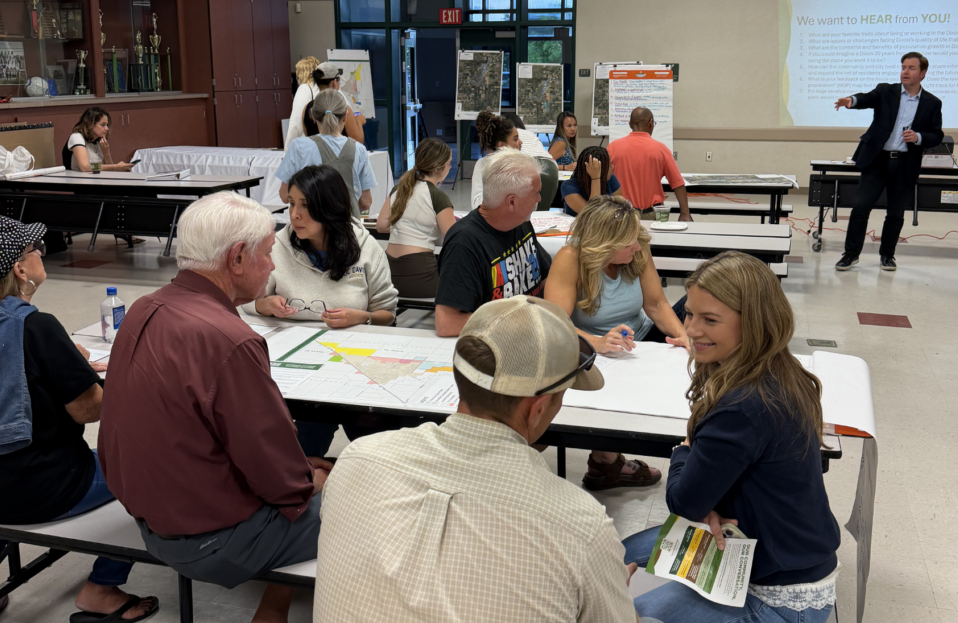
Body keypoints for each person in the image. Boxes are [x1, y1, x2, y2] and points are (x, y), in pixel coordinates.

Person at [312, 296, 652, 623]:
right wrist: (604, 586)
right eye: (560, 397)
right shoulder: (581, 524)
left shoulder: (357, 460)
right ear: (536, 409)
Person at [98, 192, 330, 623]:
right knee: (362, 496)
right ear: (237, 258)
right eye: (267, 253)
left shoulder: (145, 308)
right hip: (216, 541)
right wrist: (312, 479)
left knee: (315, 468)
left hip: (152, 522)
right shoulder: (228, 339)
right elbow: (284, 483)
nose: (274, 265)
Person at [623, 251, 841, 623]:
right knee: (618, 552)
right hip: (791, 554)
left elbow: (684, 501)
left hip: (777, 598)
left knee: (624, 603)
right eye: (689, 313)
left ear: (753, 324)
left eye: (710, 320)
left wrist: (683, 450)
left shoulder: (742, 407)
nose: (691, 330)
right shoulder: (780, 369)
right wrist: (710, 500)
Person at [0, 216, 157, 623]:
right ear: (19, 269)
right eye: (33, 250)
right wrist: (103, 376)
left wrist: (63, 365)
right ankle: (102, 587)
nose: (41, 253)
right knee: (150, 465)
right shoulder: (36, 327)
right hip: (48, 487)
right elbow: (90, 409)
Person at [545, 195, 688, 492]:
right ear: (603, 245)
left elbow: (658, 304)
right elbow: (557, 324)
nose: (637, 247)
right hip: (593, 347)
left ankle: (606, 461)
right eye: (628, 244)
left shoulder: (638, 248)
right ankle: (605, 459)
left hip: (638, 338)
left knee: (698, 305)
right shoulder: (570, 259)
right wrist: (597, 341)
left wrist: (683, 335)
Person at [245, 165, 397, 327]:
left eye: (305, 205)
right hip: (289, 341)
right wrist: (264, 305)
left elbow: (388, 312)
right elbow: (246, 299)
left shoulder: (366, 247)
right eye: (291, 203)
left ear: (329, 207)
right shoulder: (275, 247)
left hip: (350, 344)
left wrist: (363, 318)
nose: (294, 214)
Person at [833, 52, 944, 272]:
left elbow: (936, 135)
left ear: (922, 73)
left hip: (904, 164)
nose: (905, 71)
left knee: (895, 213)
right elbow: (866, 98)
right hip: (877, 160)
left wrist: (919, 137)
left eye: (911, 68)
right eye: (903, 67)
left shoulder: (932, 103)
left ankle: (887, 256)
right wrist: (851, 101)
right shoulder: (886, 91)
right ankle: (850, 254)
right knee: (861, 207)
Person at [435, 149, 550, 337]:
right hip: (500, 342)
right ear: (512, 202)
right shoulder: (464, 243)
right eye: (535, 193)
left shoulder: (520, 222)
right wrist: (519, 321)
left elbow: (547, 275)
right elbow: (447, 323)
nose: (539, 199)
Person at [275, 89, 377, 217]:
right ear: (345, 116)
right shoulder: (359, 149)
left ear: (312, 115)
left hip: (311, 229)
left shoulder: (298, 147)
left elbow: (285, 195)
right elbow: (366, 202)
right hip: (348, 230)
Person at [375, 138, 455, 298]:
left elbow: (381, 226)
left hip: (390, 277)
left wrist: (405, 225)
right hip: (421, 277)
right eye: (449, 164)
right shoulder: (438, 197)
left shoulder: (400, 189)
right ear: (439, 169)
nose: (450, 167)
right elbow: (454, 238)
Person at [607, 107, 691, 220]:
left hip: (622, 216)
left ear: (630, 124)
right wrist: (685, 213)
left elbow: (602, 180)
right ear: (650, 123)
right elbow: (677, 184)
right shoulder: (661, 150)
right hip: (652, 214)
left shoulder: (612, 148)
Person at [470, 109, 520, 209]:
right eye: (515, 139)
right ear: (500, 145)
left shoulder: (522, 164)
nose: (521, 142)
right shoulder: (483, 164)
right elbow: (477, 204)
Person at [63, 107, 134, 172]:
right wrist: (116, 167)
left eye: (107, 125)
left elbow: (111, 171)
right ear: (90, 125)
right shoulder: (77, 137)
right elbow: (85, 167)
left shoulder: (98, 141)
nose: (107, 129)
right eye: (102, 125)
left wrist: (106, 153)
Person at [560, 145, 622, 217]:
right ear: (596, 168)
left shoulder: (611, 179)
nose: (612, 167)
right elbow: (592, 214)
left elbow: (620, 209)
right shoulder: (568, 186)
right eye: (608, 165)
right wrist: (595, 178)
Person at [316, 62, 365, 144]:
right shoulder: (344, 109)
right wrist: (359, 122)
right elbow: (357, 142)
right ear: (334, 82)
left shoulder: (308, 108)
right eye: (339, 81)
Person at [283, 55, 320, 150]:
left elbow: (295, 124)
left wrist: (287, 150)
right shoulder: (324, 89)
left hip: (307, 144)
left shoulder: (304, 89)